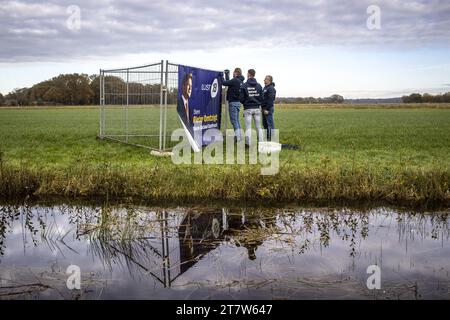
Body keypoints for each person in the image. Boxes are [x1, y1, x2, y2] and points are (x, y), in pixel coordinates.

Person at [239, 69, 263, 147]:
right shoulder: (259, 86)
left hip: (248, 108)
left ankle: (248, 144)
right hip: (257, 108)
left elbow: (241, 98)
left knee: (248, 127)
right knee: (258, 127)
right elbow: (261, 97)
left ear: (248, 74)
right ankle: (261, 143)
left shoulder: (244, 85)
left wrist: (245, 103)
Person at [222, 68, 245, 141]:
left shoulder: (235, 80)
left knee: (234, 121)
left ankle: (238, 138)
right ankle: (239, 136)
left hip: (233, 103)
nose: (232, 74)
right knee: (237, 121)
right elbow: (229, 82)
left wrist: (222, 76)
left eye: (233, 72)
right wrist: (227, 75)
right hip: (238, 102)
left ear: (236, 73)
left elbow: (224, 83)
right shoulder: (240, 81)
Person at [261, 75, 276, 141]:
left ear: (269, 80)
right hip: (263, 108)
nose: (264, 80)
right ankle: (267, 138)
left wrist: (267, 109)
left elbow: (271, 99)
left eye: (265, 79)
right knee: (265, 124)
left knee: (270, 124)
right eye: (264, 79)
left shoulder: (271, 88)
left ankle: (273, 138)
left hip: (268, 109)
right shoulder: (264, 88)